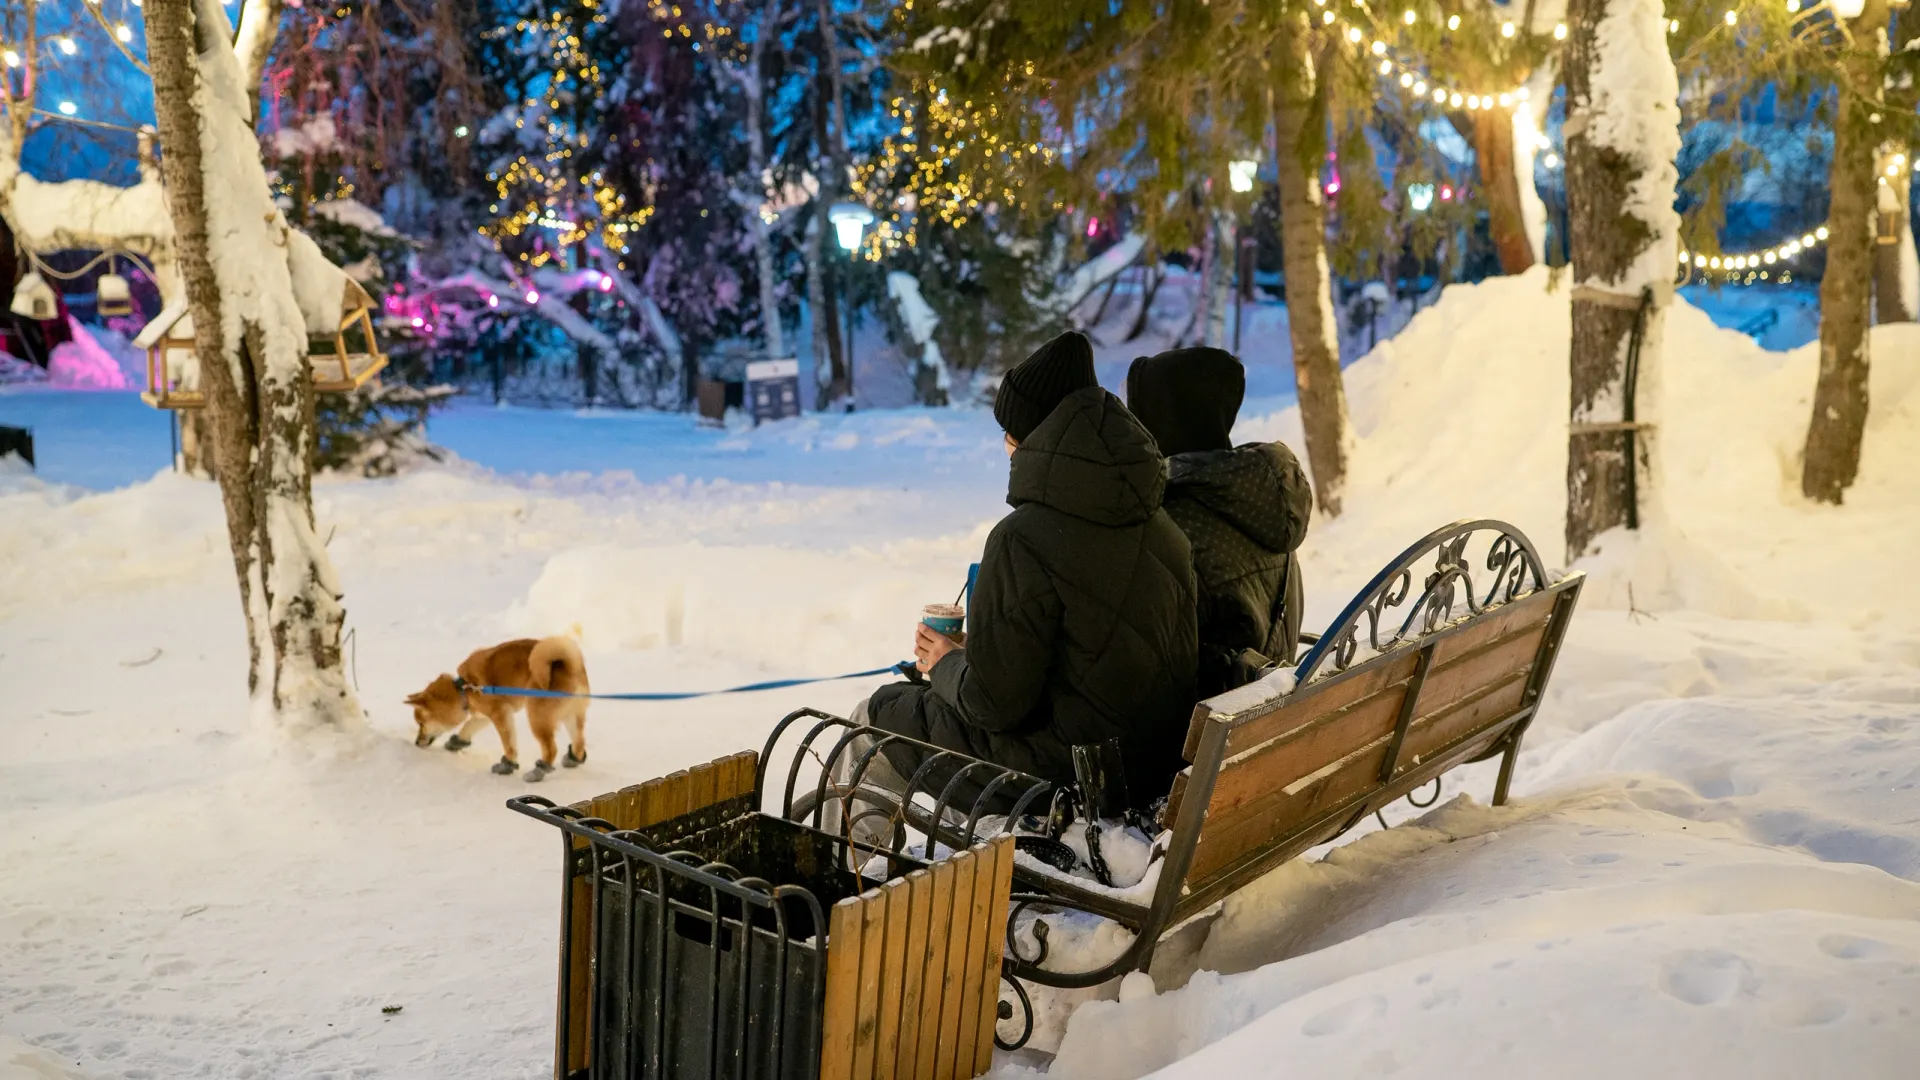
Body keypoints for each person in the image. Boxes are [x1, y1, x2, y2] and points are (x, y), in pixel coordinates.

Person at [853, 330, 1199, 813]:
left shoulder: (1022, 537)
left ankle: (858, 874)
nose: (1004, 446)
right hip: (1148, 760)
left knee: (874, 716)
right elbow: (1093, 647)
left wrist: (945, 662)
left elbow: (992, 706)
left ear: (1034, 439)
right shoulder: (1161, 523)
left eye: (1009, 433)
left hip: (1067, 777)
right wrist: (982, 652)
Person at [1125, 347, 1312, 699]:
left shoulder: (1174, 520)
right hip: (1260, 714)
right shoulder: (1255, 495)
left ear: (1168, 417)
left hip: (1199, 737)